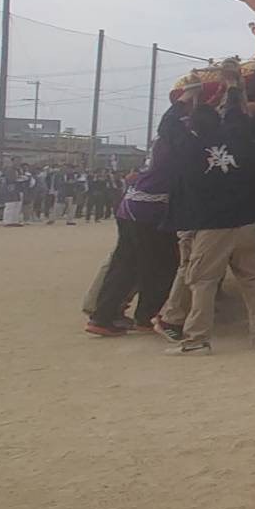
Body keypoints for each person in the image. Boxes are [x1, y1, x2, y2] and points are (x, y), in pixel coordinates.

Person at [153, 68, 255, 355]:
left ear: (192, 126)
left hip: (213, 226)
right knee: (254, 281)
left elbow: (168, 126)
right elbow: (236, 113)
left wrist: (190, 95)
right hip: (246, 223)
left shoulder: (188, 146)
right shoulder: (237, 138)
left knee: (203, 281)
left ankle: (197, 339)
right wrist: (233, 86)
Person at [84, 100, 185, 337]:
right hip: (150, 212)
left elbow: (171, 119)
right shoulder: (180, 148)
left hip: (129, 206)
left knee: (124, 263)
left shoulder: (161, 143)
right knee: (160, 266)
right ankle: (146, 316)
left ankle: (103, 315)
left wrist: (183, 103)